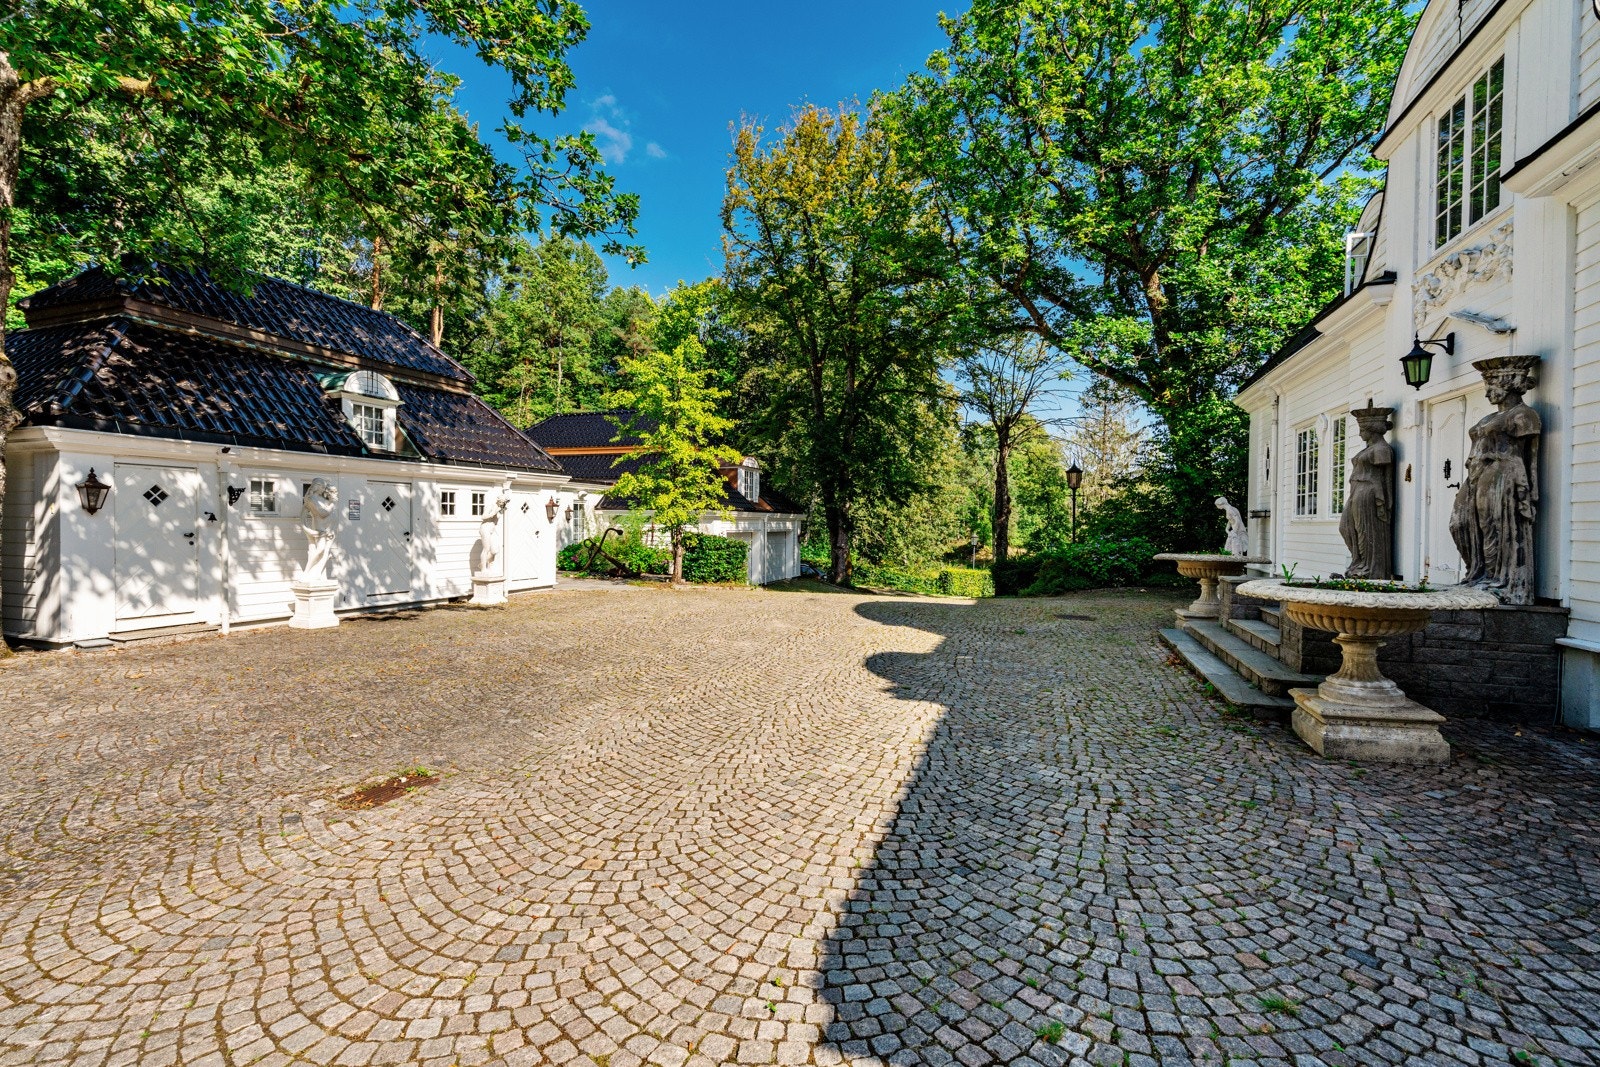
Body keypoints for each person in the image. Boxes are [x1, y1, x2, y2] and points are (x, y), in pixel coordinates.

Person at [1450, 357, 1541, 604]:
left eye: (1493, 386)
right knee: (1459, 524)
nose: (1489, 392)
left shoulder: (1524, 415)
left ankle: (1500, 579)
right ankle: (1478, 572)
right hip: (1476, 474)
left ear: (1511, 384)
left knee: (1495, 525)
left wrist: (1529, 490)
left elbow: (1531, 456)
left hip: (1503, 472)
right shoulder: (1490, 417)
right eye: (1488, 386)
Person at [1339, 403, 1395, 579]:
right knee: (1346, 527)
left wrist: (1385, 499)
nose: (1360, 433)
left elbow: (1387, 476)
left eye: (1362, 429)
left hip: (1369, 491)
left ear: (1372, 430)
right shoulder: (1369, 449)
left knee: (1365, 529)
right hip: (1357, 490)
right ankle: (1358, 561)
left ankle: (1371, 567)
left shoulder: (1382, 450)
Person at [299, 478, 339, 582]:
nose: (324, 489)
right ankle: (306, 573)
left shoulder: (323, 500)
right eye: (322, 487)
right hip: (319, 530)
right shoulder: (311, 499)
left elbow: (330, 514)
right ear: (317, 486)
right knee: (320, 550)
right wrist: (308, 531)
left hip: (329, 530)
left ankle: (320, 574)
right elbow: (322, 513)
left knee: (325, 552)